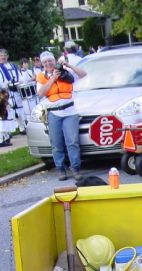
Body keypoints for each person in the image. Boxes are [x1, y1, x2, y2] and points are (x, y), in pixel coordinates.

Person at [36, 51, 87, 181]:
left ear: (55, 61)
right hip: (54, 112)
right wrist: (53, 78)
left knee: (72, 141)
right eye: (45, 62)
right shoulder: (41, 77)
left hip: (69, 111)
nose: (48, 64)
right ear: (42, 64)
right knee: (56, 143)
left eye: (50, 61)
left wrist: (68, 65)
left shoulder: (66, 73)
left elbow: (83, 74)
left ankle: (75, 168)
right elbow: (41, 93)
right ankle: (61, 169)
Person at [0, 48, 26, 133]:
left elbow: (19, 76)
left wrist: (19, 82)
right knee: (8, 112)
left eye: (4, 55)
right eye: (1, 55)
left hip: (15, 90)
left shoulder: (13, 66)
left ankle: (22, 127)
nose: (3, 57)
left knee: (20, 109)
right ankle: (6, 133)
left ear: (7, 56)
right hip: (5, 92)